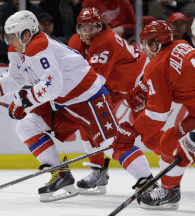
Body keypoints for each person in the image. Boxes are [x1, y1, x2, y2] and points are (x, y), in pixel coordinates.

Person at [0, 10, 119, 202]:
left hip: (86, 99)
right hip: (62, 103)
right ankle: (61, 175)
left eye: (12, 37)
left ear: (26, 34)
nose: (9, 43)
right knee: (26, 126)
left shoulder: (39, 46)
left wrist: (23, 101)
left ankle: (147, 180)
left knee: (113, 145)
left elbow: (52, 85)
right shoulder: (18, 50)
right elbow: (15, 80)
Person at [110, 20, 195, 209]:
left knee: (169, 142)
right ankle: (169, 190)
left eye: (147, 42)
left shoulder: (156, 67)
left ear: (155, 44)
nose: (144, 47)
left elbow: (158, 115)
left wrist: (132, 131)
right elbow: (178, 78)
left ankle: (169, 192)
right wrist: (146, 86)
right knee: (171, 140)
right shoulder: (182, 45)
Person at [68, 7, 153, 194]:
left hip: (140, 84)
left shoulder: (105, 41)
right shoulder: (76, 42)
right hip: (116, 86)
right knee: (87, 121)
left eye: (93, 27)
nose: (88, 33)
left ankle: (167, 168)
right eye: (84, 28)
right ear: (78, 28)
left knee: (150, 133)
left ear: (102, 26)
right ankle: (98, 171)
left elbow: (95, 82)